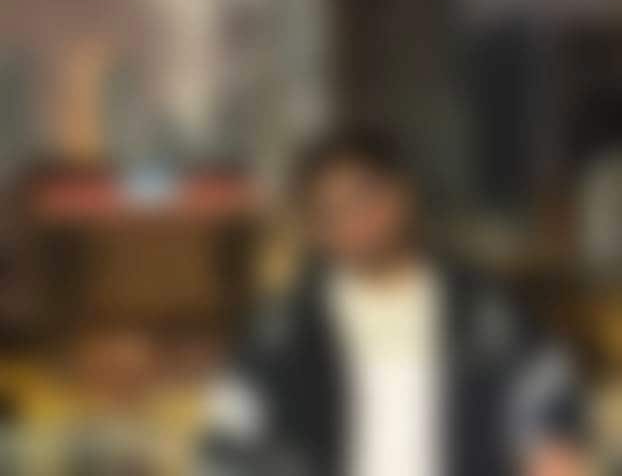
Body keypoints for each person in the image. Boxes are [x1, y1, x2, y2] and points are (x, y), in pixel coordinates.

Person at [201, 127, 586, 476]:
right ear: (313, 227)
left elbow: (547, 411)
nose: (352, 221)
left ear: (402, 195)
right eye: (329, 210)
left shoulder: (485, 315)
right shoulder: (283, 333)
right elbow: (232, 444)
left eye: (362, 198)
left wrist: (550, 451)